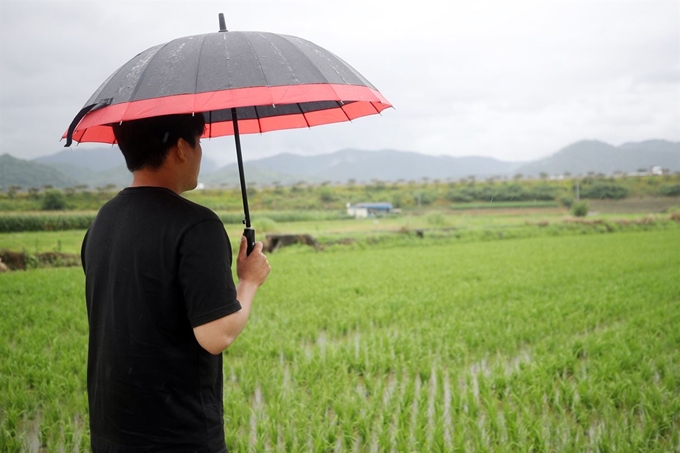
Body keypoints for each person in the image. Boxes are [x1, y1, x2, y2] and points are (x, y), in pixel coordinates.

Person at [81, 113, 271, 452]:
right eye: (198, 143)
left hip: (109, 433)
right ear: (182, 148)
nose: (200, 153)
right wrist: (249, 280)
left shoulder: (102, 220)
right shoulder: (197, 226)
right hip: (177, 436)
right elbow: (216, 335)